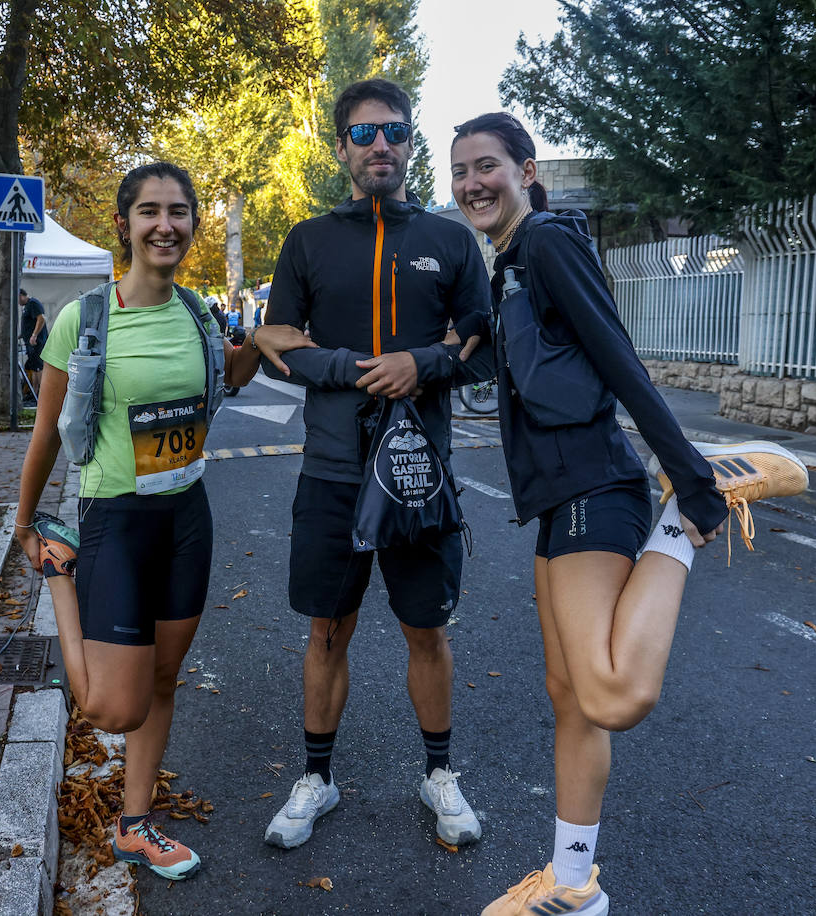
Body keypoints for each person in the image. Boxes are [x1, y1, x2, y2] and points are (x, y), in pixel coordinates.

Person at [449, 113, 808, 916]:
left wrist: (688, 476)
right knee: (568, 696)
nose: (473, 182)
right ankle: (572, 884)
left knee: (611, 694)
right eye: (461, 170)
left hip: (595, 488)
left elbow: (614, 353)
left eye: (488, 166)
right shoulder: (510, 263)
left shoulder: (544, 241)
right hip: (553, 501)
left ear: (526, 170)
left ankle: (679, 521)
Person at [251, 78, 493, 853]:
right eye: (363, 134)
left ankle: (439, 774)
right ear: (341, 149)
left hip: (419, 473)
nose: (379, 145)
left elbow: (481, 342)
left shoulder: (451, 239)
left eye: (392, 131)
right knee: (328, 629)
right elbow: (274, 340)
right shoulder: (308, 240)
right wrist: (356, 368)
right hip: (331, 470)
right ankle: (317, 778)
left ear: (409, 142)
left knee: (427, 629)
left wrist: (419, 365)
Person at [14, 162, 260, 882]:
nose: (165, 224)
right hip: (112, 520)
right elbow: (48, 434)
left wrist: (264, 344)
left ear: (192, 224)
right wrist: (28, 524)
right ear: (124, 224)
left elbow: (227, 379)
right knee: (108, 706)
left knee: (162, 679)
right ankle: (62, 581)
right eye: (150, 211)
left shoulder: (198, 314)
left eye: (179, 211)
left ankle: (135, 823)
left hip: (187, 516)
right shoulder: (84, 319)